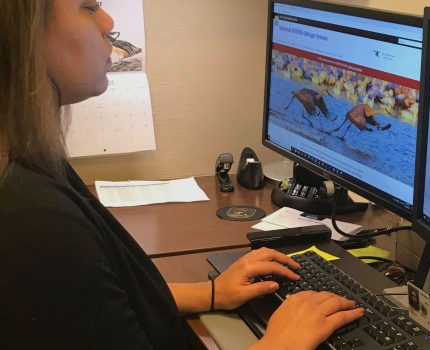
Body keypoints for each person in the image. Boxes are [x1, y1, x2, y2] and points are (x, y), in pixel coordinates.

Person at [0, 1, 364, 349]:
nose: (108, 22)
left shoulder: (26, 161)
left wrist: (210, 293)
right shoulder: (34, 220)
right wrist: (281, 343)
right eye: (89, 7)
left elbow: (91, 304)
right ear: (24, 33)